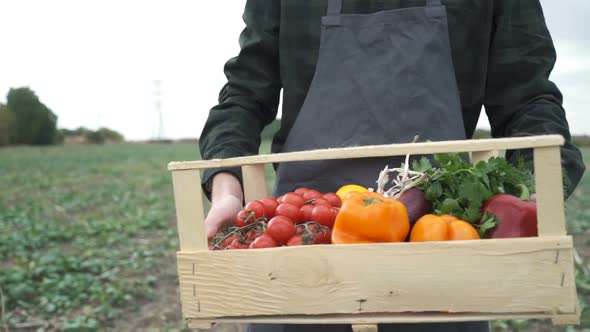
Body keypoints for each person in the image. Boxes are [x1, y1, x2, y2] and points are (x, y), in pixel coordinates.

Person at [198, 1, 585, 331]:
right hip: (301, 244)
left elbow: (528, 99)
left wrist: (532, 197)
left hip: (443, 259)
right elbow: (244, 95)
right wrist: (227, 192)